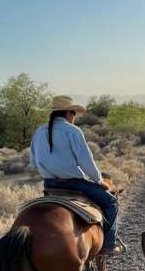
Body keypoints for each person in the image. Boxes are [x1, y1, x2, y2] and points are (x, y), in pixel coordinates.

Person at [29, 95, 126, 257]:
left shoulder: (39, 132)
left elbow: (33, 163)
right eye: (74, 113)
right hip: (74, 184)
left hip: (49, 186)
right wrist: (98, 180)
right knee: (111, 202)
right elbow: (85, 161)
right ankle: (109, 246)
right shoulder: (72, 131)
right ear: (68, 112)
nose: (74, 117)